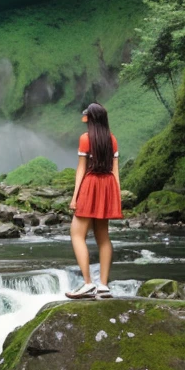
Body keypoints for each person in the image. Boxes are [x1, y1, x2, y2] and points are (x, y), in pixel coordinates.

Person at [66, 102, 122, 300]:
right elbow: (115, 171)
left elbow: (81, 169)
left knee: (76, 234)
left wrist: (75, 197)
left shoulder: (85, 139)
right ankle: (104, 286)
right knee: (103, 237)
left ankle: (88, 283)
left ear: (90, 118)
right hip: (108, 186)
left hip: (90, 185)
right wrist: (116, 196)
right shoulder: (112, 139)